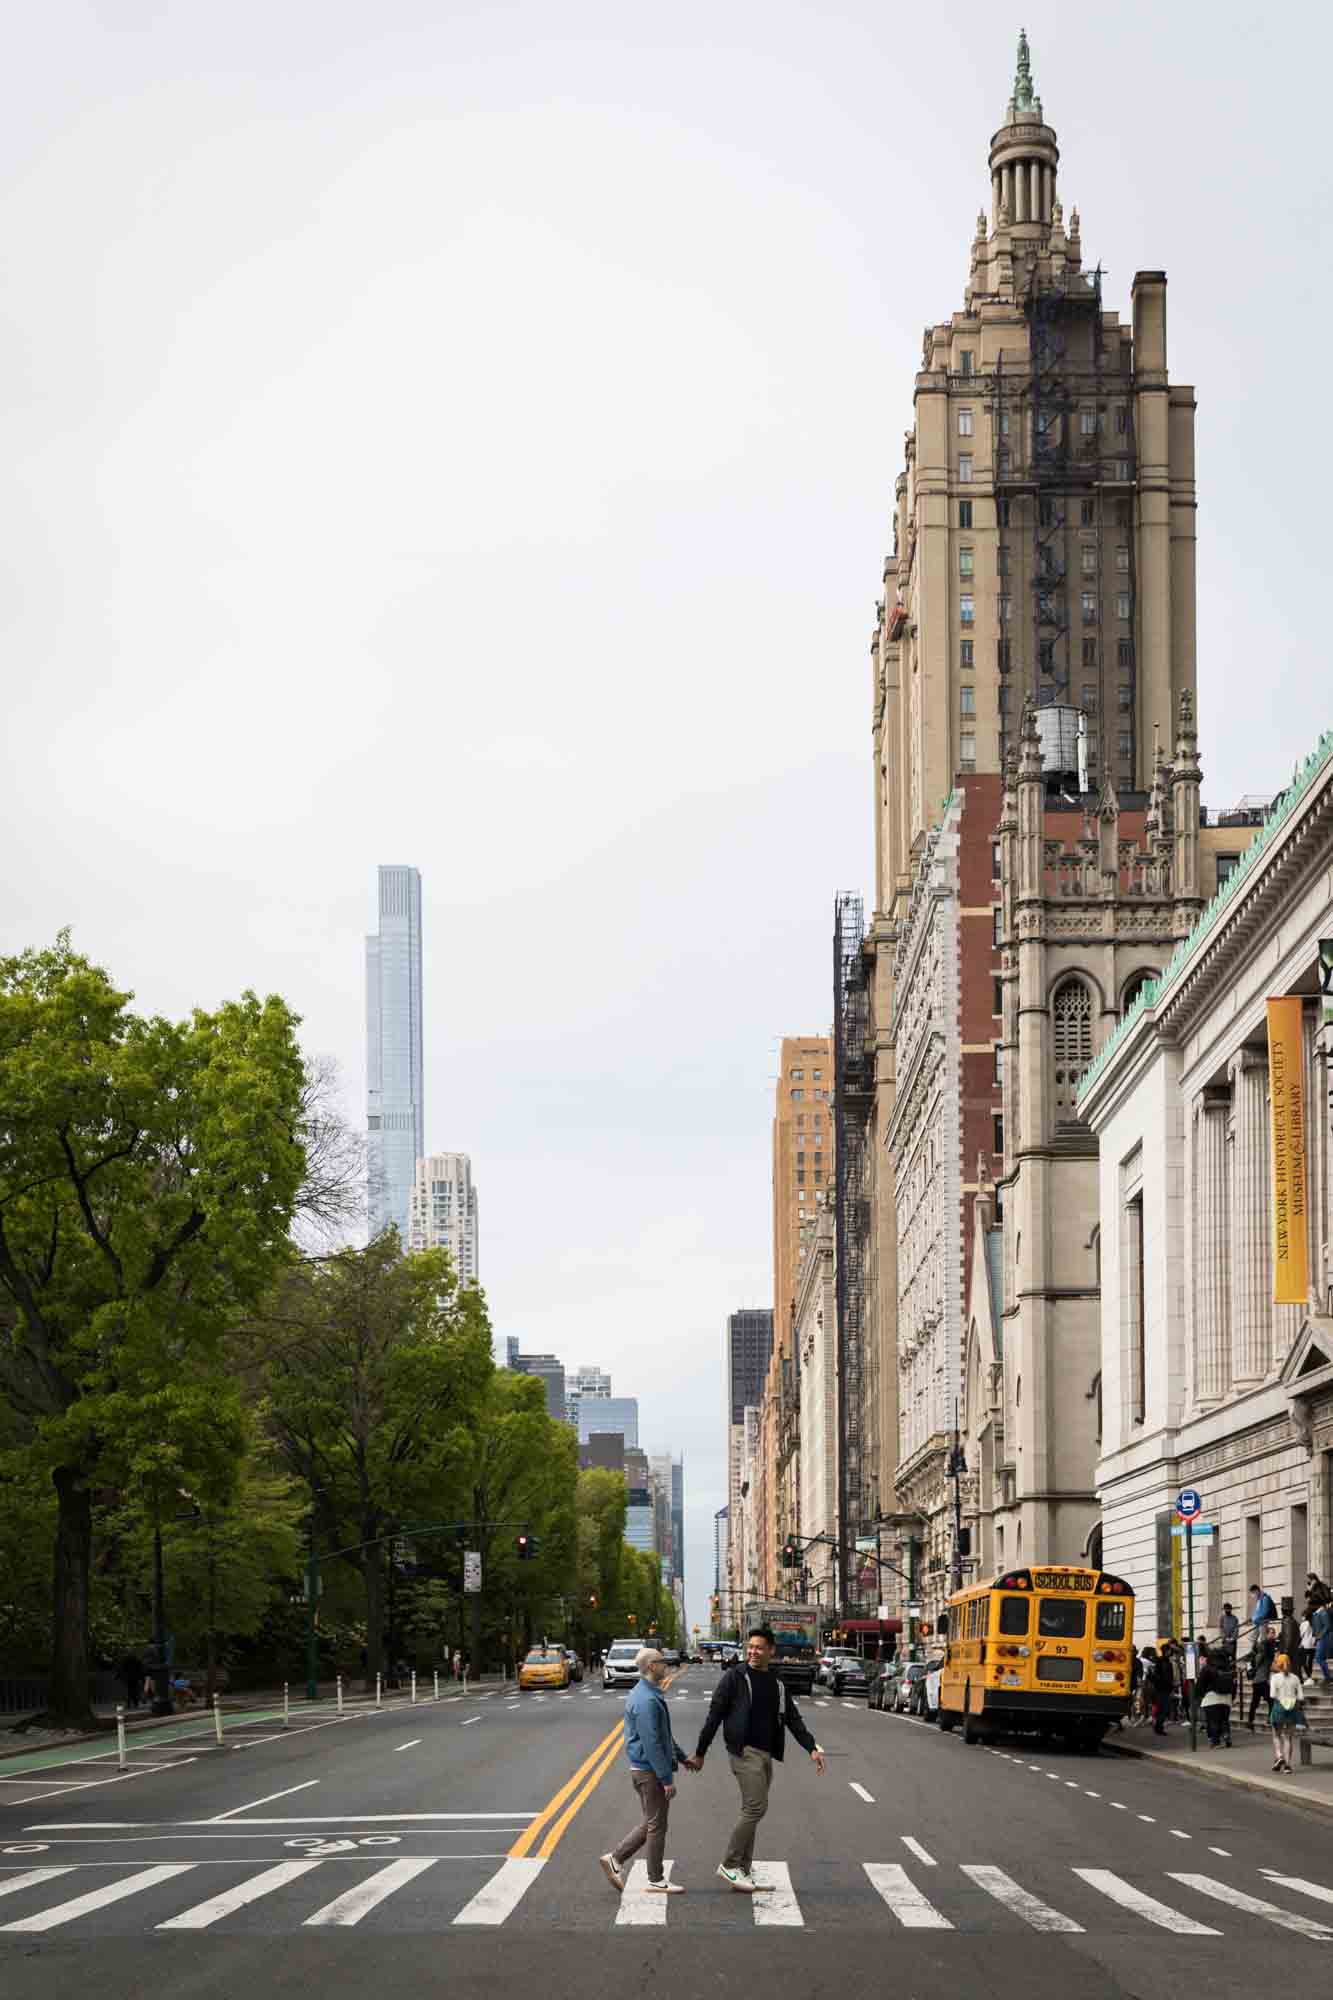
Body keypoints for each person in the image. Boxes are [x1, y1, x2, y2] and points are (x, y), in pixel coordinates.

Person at [689, 1625, 824, 1894]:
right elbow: (714, 1715)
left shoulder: (776, 1683)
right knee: (755, 1808)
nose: (752, 1651)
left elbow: (793, 1719)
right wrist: (700, 1752)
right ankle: (729, 1864)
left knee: (751, 1810)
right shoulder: (735, 1678)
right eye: (750, 1647)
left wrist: (811, 1748)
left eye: (759, 1647)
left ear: (770, 1650)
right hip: (744, 1751)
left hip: (765, 1754)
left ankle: (744, 1872)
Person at [600, 1648, 691, 1896]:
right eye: (663, 1662)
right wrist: (666, 1779)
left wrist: (683, 1758)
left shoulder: (647, 1694)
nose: (667, 1665)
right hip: (649, 1772)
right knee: (657, 1826)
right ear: (652, 1666)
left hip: (645, 1769)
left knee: (652, 1822)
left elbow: (663, 1735)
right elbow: (652, 1743)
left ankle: (615, 1859)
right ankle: (655, 1878)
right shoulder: (647, 1700)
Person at [1269, 1652, 1307, 1773]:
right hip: (1292, 1709)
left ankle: (1279, 1756)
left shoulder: (1275, 1678)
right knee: (1288, 1737)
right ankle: (1287, 1766)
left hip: (1279, 1708)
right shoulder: (1295, 1678)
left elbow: (1272, 1695)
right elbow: (1301, 1697)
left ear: (1278, 1665)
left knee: (1276, 1735)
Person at [1196, 1649, 1232, 1749]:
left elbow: (1200, 1684)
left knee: (1213, 1721)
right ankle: (1226, 1735)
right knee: (1224, 1720)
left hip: (1211, 1698)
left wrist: (1199, 1695)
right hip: (1226, 1698)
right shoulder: (1228, 1667)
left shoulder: (1207, 1668)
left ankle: (1216, 1742)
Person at [1246, 1622, 1275, 1730]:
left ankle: (1250, 1721)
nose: (1273, 1635)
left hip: (1258, 1680)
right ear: (1267, 1634)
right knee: (1271, 1700)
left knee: (1255, 1702)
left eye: (1274, 1633)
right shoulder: (1265, 1647)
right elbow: (1259, 1661)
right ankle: (1269, 1719)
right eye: (1271, 1633)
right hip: (1261, 1680)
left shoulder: (1268, 1646)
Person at [1312, 1600, 1333, 1686]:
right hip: (1320, 1639)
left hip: (1323, 1639)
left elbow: (1327, 1626)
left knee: (1319, 1658)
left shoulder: (1322, 1612)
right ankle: (1327, 1677)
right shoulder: (1317, 1613)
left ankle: (1328, 1677)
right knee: (1320, 1658)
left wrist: (1319, 1636)